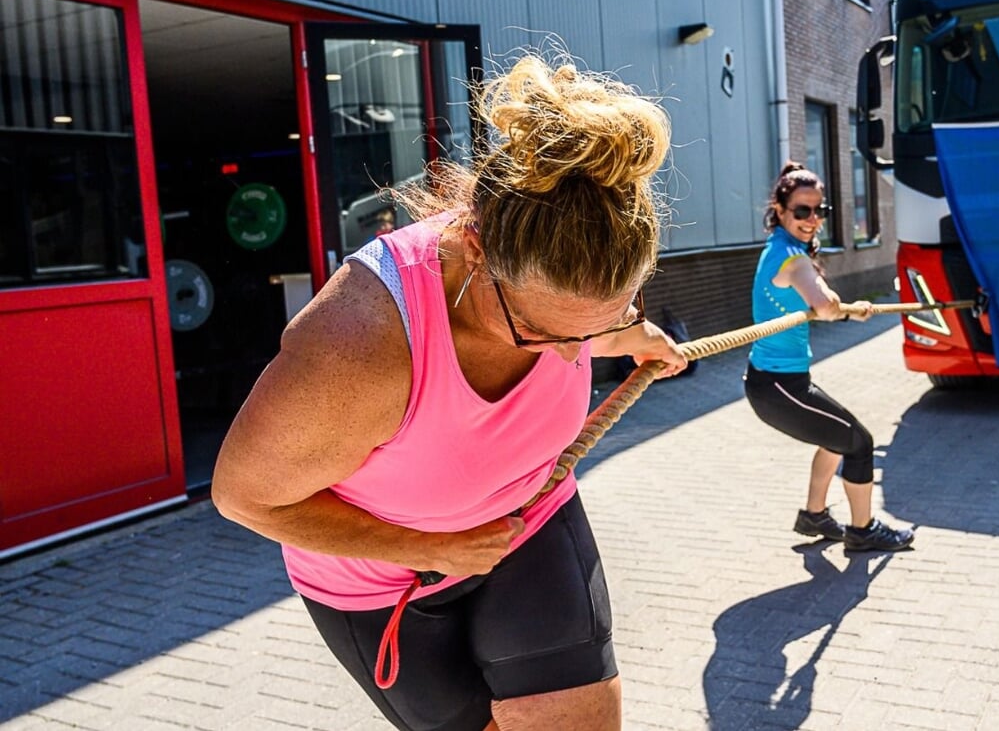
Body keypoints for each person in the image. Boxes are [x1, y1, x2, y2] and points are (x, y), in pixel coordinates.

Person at [211, 54, 688, 731]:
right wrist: (430, 549)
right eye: (541, 333)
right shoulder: (360, 344)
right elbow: (243, 497)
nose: (570, 356)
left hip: (529, 524)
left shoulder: (564, 303)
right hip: (384, 585)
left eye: (598, 325)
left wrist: (632, 337)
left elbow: (576, 323)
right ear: (473, 248)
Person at [743, 162, 915, 553]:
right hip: (777, 387)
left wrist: (851, 309)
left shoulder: (781, 248)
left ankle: (814, 516)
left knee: (836, 437)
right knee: (860, 442)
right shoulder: (792, 258)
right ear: (782, 211)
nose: (812, 219)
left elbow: (821, 304)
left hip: (782, 382)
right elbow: (821, 304)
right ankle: (862, 530)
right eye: (802, 211)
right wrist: (838, 305)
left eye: (819, 210)